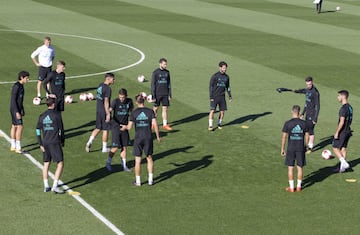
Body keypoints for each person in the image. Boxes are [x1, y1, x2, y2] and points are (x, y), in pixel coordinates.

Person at [126, 94, 161, 186]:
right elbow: (155, 125)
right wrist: (157, 136)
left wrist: (122, 127)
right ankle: (150, 180)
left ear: (136, 102)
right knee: (149, 158)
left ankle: (138, 181)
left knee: (137, 160)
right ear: (144, 101)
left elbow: (129, 127)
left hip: (138, 138)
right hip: (148, 137)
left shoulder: (133, 113)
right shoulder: (150, 111)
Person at [36, 97, 65, 193]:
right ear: (53, 104)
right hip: (55, 142)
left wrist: (40, 143)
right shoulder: (57, 115)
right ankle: (55, 186)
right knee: (60, 164)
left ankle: (46, 186)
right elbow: (61, 129)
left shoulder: (42, 116)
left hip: (45, 143)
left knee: (46, 163)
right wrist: (62, 140)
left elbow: (37, 130)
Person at [281, 105, 309, 192]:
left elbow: (284, 137)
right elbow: (308, 135)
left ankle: (292, 187)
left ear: (292, 111)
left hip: (291, 148)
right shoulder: (304, 123)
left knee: (290, 167)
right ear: (299, 112)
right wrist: (306, 145)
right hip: (300, 147)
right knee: (300, 167)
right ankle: (299, 186)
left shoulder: (288, 123)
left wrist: (282, 148)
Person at [86, 73, 115, 153]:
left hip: (98, 110)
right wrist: (108, 114)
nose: (114, 80)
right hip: (104, 111)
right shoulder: (108, 89)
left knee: (98, 127)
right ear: (108, 79)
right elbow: (106, 102)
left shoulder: (100, 85)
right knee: (106, 129)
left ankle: (89, 142)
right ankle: (104, 148)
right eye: (113, 79)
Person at [106, 88, 133, 172]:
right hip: (116, 127)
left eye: (123, 97)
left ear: (126, 96)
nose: (121, 99)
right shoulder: (115, 101)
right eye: (120, 97)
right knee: (115, 147)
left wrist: (129, 124)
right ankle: (108, 163)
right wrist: (108, 114)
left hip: (124, 127)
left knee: (124, 147)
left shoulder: (129, 101)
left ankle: (124, 165)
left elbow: (132, 113)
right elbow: (110, 110)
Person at [294, 76, 320, 153]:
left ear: (312, 82)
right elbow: (306, 103)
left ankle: (310, 147)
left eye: (310, 84)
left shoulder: (315, 92)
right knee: (307, 131)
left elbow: (317, 106)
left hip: (312, 115)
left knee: (310, 131)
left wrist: (315, 118)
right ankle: (307, 146)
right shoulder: (307, 90)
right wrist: (302, 113)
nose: (309, 86)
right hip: (307, 114)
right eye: (307, 84)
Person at [208, 61, 232, 131]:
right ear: (220, 68)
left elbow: (228, 87)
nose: (225, 69)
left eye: (226, 68)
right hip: (215, 97)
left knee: (222, 111)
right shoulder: (215, 76)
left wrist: (230, 96)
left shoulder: (227, 77)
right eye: (224, 68)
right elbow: (211, 87)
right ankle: (210, 125)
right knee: (212, 110)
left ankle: (219, 124)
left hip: (222, 97)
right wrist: (211, 97)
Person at [10, 71, 30, 153]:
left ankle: (13, 146)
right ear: (22, 77)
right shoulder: (17, 86)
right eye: (27, 78)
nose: (28, 79)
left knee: (14, 126)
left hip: (17, 109)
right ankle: (18, 147)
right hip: (15, 109)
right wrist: (16, 112)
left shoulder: (21, 86)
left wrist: (22, 109)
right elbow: (13, 100)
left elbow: (20, 100)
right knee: (20, 126)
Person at [333, 90, 352, 173]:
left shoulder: (343, 109)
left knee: (335, 147)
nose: (338, 97)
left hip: (343, 131)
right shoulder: (350, 107)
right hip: (348, 130)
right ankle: (342, 168)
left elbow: (342, 122)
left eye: (339, 96)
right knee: (343, 148)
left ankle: (344, 163)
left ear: (343, 96)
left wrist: (337, 132)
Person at [151, 58, 173, 131]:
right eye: (164, 64)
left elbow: (169, 84)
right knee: (155, 109)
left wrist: (170, 94)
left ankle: (165, 124)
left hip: (165, 94)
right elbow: (153, 85)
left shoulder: (167, 72)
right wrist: (153, 95)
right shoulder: (155, 72)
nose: (165, 65)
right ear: (160, 64)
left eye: (166, 64)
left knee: (165, 109)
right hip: (157, 94)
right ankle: (153, 123)